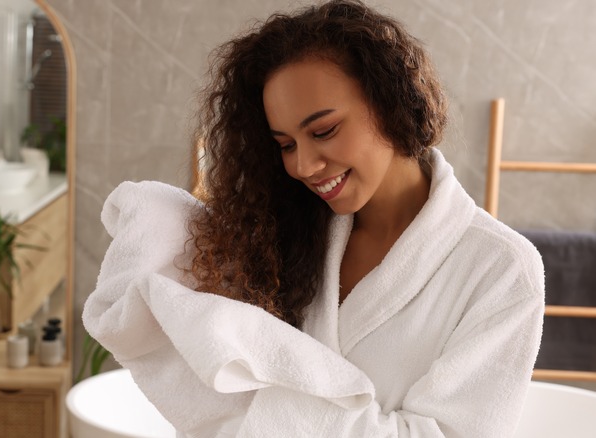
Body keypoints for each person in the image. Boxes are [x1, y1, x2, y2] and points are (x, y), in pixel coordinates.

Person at [83, 1, 545, 436]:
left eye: (323, 131)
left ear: (390, 104)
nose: (302, 166)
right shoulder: (289, 234)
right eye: (285, 144)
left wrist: (264, 414)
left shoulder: (500, 270)